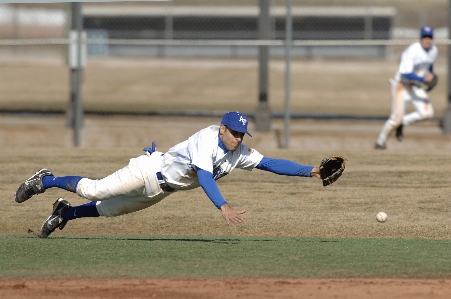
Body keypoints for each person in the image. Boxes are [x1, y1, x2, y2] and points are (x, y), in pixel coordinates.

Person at [15, 111, 327, 238]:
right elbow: (204, 177)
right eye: (235, 133)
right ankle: (44, 180)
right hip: (147, 170)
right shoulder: (207, 140)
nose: (239, 138)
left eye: (243, 134)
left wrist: (311, 171)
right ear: (222, 129)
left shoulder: (238, 153)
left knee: (108, 210)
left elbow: (271, 163)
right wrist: (224, 206)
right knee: (96, 190)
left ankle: (65, 213)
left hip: (161, 190)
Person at [375, 26, 438, 150]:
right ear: (420, 38)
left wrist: (431, 74)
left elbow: (428, 66)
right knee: (395, 119)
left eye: (429, 37)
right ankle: (380, 143)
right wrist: (423, 79)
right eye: (425, 37)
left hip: (415, 86)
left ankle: (402, 122)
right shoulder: (412, 51)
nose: (427, 40)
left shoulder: (433, 50)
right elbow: (405, 73)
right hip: (401, 85)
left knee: (428, 113)